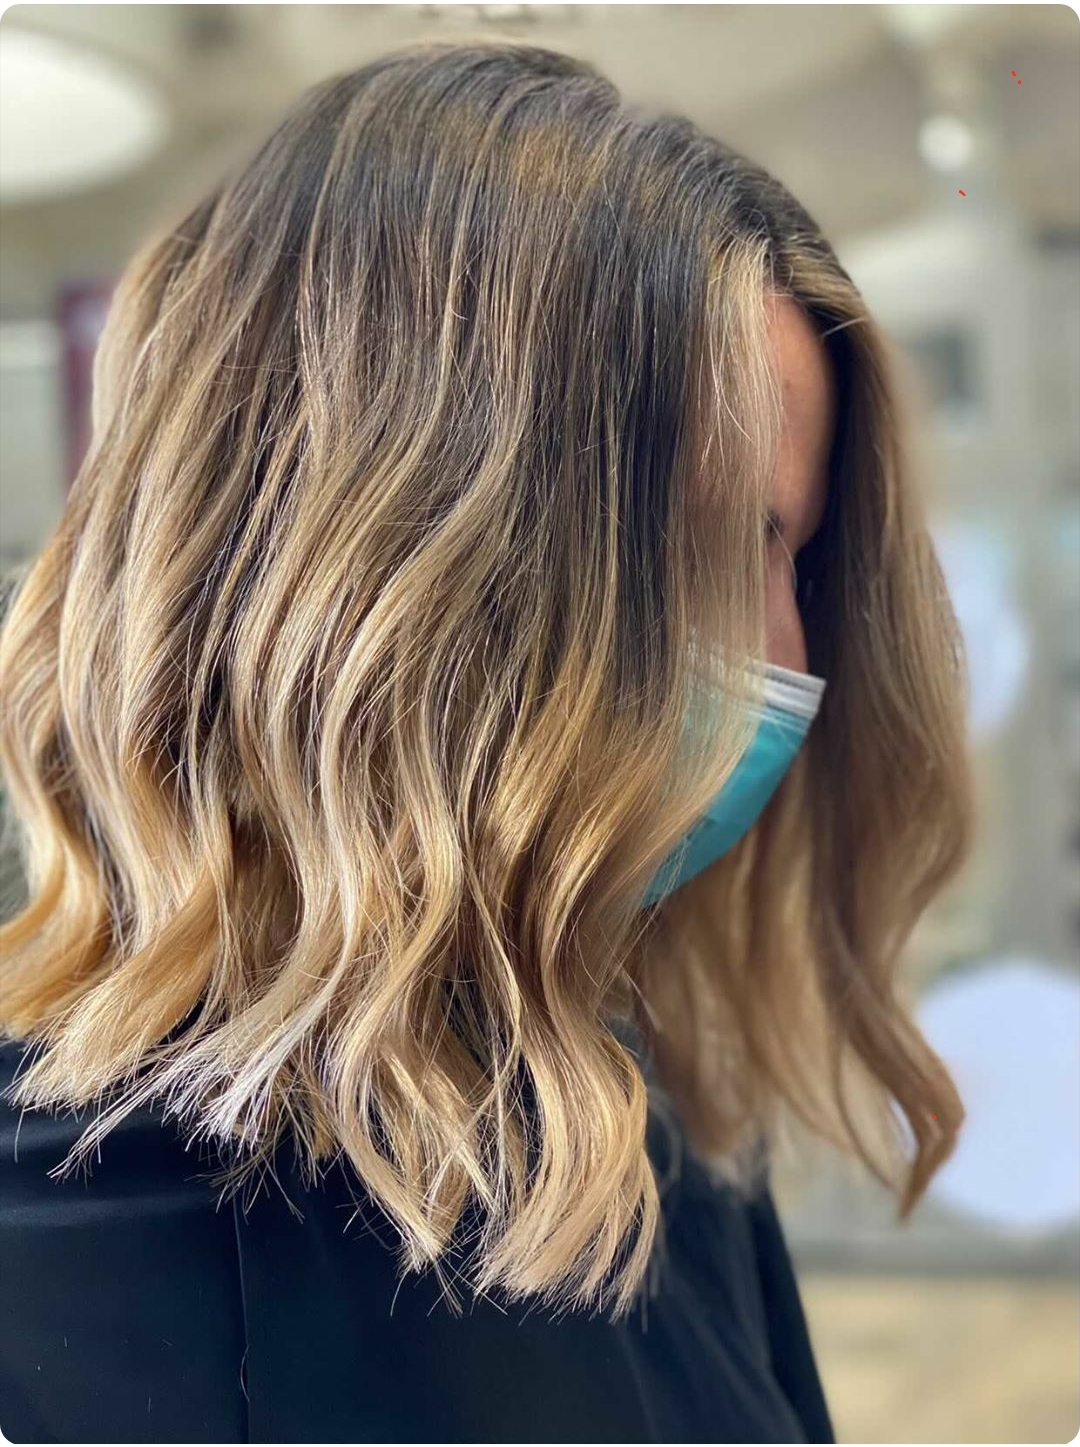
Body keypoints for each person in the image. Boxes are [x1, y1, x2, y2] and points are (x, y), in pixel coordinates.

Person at [0, 37, 976, 1445]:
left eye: (797, 564)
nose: (789, 659)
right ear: (379, 565)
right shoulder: (47, 1282)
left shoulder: (644, 1155)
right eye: (719, 544)